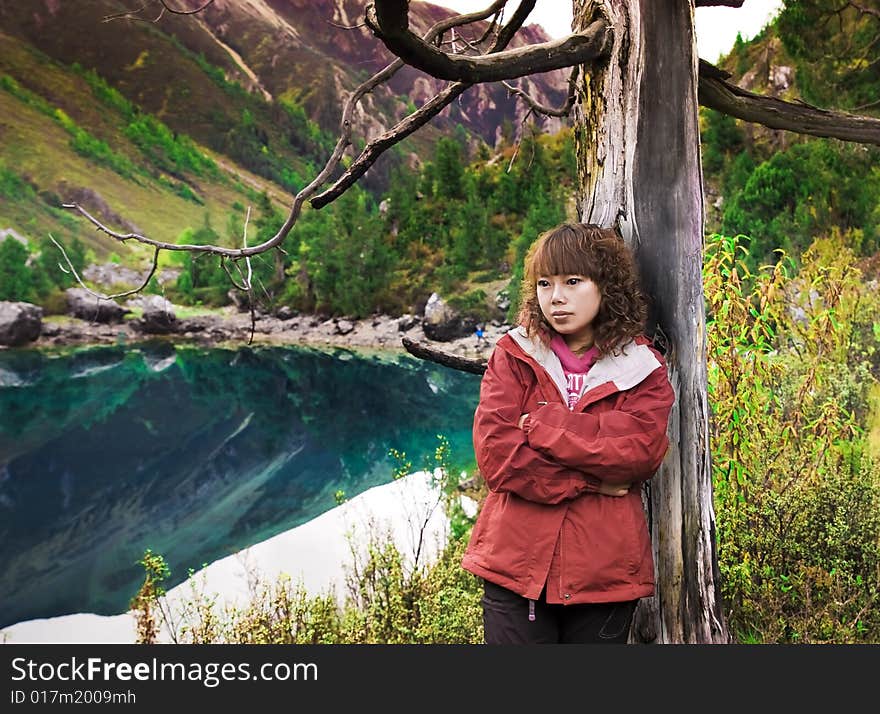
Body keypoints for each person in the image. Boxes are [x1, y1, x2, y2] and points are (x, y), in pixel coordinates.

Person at [461, 222, 675, 644]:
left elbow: (638, 453)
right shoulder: (515, 353)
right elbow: (498, 459)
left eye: (572, 281)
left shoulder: (643, 368)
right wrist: (592, 478)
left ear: (606, 286)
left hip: (604, 577)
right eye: (545, 283)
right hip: (514, 569)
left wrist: (542, 424)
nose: (555, 297)